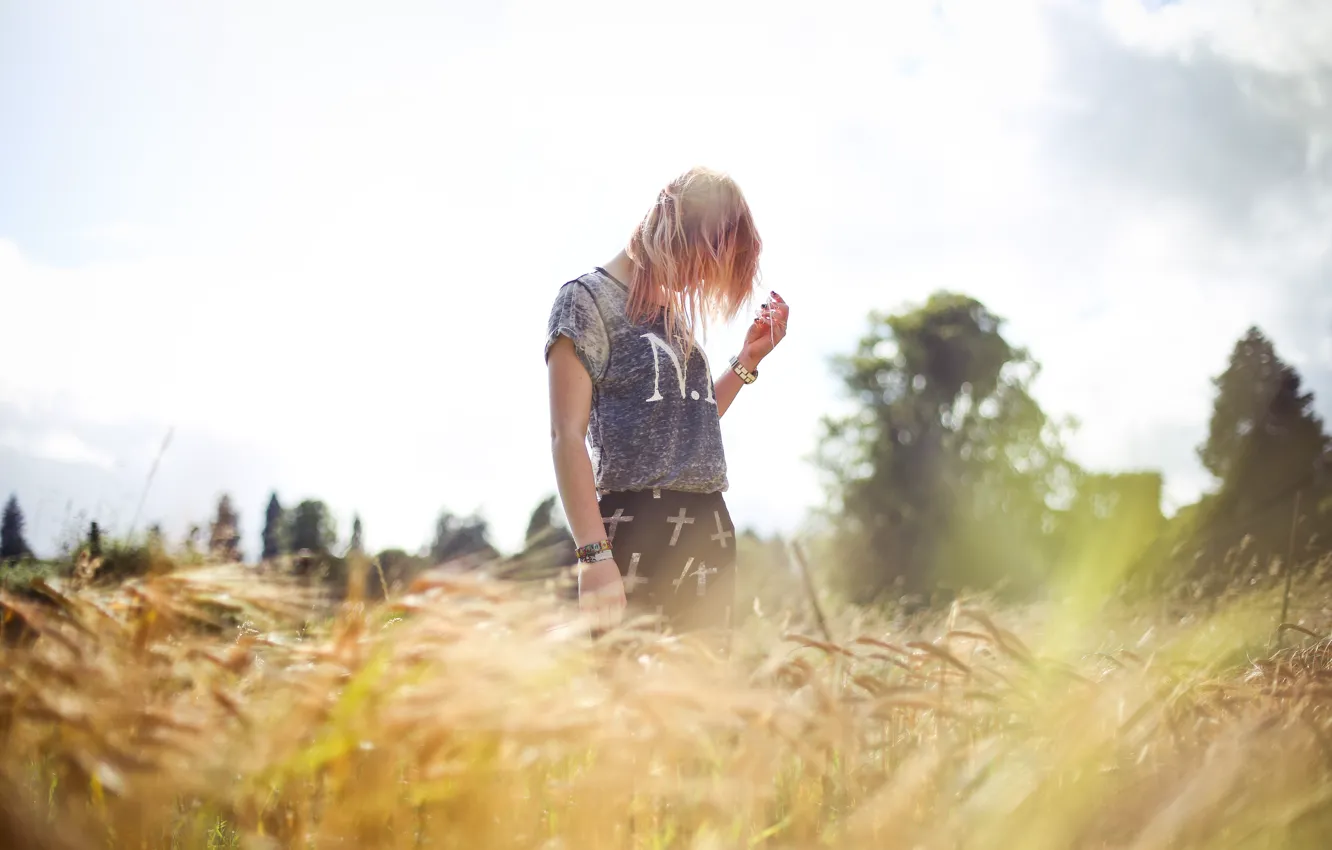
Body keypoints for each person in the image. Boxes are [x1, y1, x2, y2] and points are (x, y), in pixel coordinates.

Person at [544, 166, 790, 641]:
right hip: (637, 529)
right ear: (676, 231)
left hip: (709, 528)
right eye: (707, 257)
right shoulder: (585, 301)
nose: (705, 277)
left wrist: (745, 361)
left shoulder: (669, 313)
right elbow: (566, 436)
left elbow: (686, 425)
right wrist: (594, 557)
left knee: (698, 703)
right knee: (629, 701)